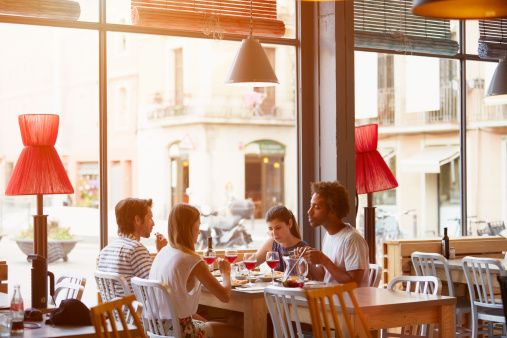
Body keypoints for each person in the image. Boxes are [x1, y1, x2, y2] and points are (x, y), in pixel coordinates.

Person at [150, 203, 243, 338]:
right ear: (189, 227)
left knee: (210, 323)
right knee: (241, 332)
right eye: (198, 226)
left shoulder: (163, 252)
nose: (199, 231)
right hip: (180, 331)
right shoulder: (192, 260)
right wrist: (226, 273)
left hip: (157, 328)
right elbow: (225, 296)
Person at [296, 181, 370, 286]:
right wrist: (304, 260)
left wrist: (323, 259)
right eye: (311, 206)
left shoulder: (352, 239)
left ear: (332, 210)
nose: (309, 211)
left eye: (316, 207)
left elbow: (355, 284)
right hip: (332, 299)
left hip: (350, 301)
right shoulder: (328, 236)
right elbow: (324, 276)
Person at [97, 198, 168, 293]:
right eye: (150, 218)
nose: (153, 223)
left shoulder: (104, 252)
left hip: (113, 307)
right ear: (137, 219)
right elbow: (155, 289)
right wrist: (162, 252)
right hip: (136, 307)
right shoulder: (136, 249)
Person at [255, 205, 308, 272]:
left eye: (278, 228)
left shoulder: (303, 248)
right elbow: (251, 262)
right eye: (270, 229)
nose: (274, 233)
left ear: (290, 223)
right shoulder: (271, 243)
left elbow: (303, 278)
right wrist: (237, 266)